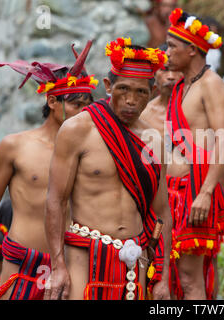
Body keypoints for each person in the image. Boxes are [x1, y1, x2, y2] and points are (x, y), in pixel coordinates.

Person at [44, 37, 172, 300]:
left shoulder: (154, 139)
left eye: (141, 93)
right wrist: (58, 266)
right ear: (107, 86)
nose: (131, 101)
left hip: (135, 259)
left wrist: (164, 277)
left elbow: (162, 212)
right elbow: (56, 200)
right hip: (84, 254)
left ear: (153, 93)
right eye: (123, 89)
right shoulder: (77, 129)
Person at [0, 41, 97, 300]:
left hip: (72, 265)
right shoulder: (15, 146)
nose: (83, 113)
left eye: (88, 106)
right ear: (52, 101)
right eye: (76, 105)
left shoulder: (92, 151)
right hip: (20, 261)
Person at [165, 8, 224, 300]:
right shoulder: (181, 85)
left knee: (190, 277)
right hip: (171, 191)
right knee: (173, 270)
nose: (165, 52)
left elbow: (223, 140)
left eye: (171, 46)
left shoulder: (211, 84)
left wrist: (205, 193)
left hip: (194, 191)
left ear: (192, 49)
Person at [140, 44, 183, 137]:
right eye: (164, 70)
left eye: (176, 70)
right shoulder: (144, 114)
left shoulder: (196, 109)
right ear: (154, 75)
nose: (171, 76)